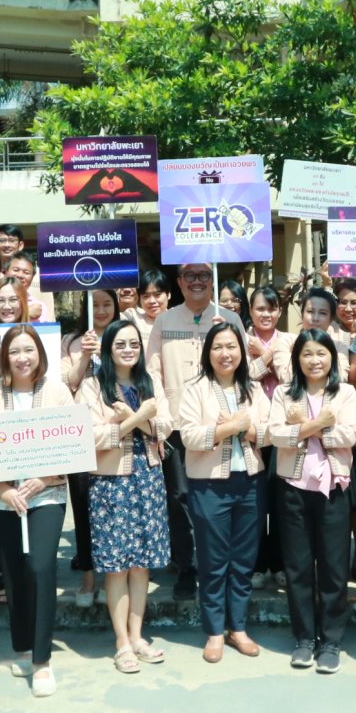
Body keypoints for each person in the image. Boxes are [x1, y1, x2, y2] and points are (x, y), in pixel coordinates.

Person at [0, 325, 74, 697]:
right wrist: (1, 488)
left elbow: (73, 443)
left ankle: (42, 661)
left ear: (40, 354)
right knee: (14, 574)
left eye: (29, 350)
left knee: (40, 568)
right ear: (5, 356)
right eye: (15, 351)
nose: (22, 358)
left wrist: (45, 478)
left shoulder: (57, 392)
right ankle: (23, 647)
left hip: (47, 495)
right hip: (1, 498)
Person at [79, 319, 172, 673]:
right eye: (120, 344)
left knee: (141, 562)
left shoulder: (150, 382)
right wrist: (138, 420)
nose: (128, 350)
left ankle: (137, 636)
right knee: (116, 565)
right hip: (110, 481)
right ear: (108, 349)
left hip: (148, 478)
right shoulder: (92, 387)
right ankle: (121, 642)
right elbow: (90, 438)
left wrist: (134, 417)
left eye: (134, 343)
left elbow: (166, 426)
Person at [146, 264, 243, 601]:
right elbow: (153, 373)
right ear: (179, 282)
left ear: (213, 280)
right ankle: (186, 566)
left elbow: (244, 368)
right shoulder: (164, 321)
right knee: (180, 497)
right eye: (190, 276)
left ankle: (220, 566)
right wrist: (160, 421)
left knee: (218, 495)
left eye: (203, 275)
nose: (197, 281)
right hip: (176, 424)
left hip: (221, 422)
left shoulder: (229, 318)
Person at [266, 328, 356, 674]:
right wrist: (319, 425)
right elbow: (275, 434)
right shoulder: (284, 393)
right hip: (293, 488)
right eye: (307, 354)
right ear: (297, 359)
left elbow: (350, 434)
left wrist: (305, 427)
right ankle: (304, 638)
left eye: (321, 353)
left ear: (332, 358)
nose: (314, 360)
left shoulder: (345, 392)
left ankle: (331, 641)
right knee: (298, 567)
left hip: (334, 488)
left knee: (334, 568)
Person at [177, 321, 271, 663]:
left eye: (231, 346)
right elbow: (189, 436)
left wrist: (245, 430)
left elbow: (270, 432)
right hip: (209, 486)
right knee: (213, 561)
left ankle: (238, 628)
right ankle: (215, 631)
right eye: (217, 347)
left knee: (243, 561)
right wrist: (230, 427)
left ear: (242, 352)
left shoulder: (254, 389)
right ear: (208, 353)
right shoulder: (195, 389)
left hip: (250, 483)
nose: (225, 353)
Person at [62, 288, 120, 606]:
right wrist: (84, 355)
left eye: (107, 304)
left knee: (115, 507)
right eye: (95, 304)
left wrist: (107, 352)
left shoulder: (123, 336)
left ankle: (116, 573)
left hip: (117, 432)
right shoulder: (71, 342)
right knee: (83, 505)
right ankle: (88, 576)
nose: (100, 310)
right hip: (80, 433)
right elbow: (66, 384)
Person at [244, 284, 294, 587]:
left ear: (280, 311)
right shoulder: (238, 339)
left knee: (280, 499)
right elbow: (244, 376)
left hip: (283, 427)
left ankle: (278, 562)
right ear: (250, 311)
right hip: (250, 429)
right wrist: (268, 360)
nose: (266, 314)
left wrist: (263, 354)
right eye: (260, 308)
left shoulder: (290, 340)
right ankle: (257, 563)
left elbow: (290, 377)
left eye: (272, 308)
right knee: (254, 500)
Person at [4, 252, 55, 322]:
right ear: (6, 272)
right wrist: (25, 313)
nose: (20, 275)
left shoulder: (38, 308)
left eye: (26, 272)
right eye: (16, 270)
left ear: (33, 277)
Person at [124, 268, 171, 332]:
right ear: (139, 298)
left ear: (168, 295)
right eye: (146, 296)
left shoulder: (179, 317)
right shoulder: (133, 317)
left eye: (157, 295)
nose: (152, 301)